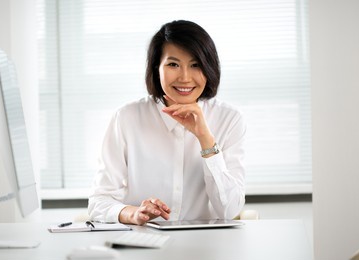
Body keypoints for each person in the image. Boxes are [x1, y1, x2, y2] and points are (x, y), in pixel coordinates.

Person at [88, 20, 246, 225]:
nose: (185, 77)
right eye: (173, 64)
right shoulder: (126, 118)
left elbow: (229, 210)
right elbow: (99, 202)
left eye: (196, 65)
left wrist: (205, 138)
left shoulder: (229, 119)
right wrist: (133, 213)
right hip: (144, 242)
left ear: (209, 68)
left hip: (206, 244)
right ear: (157, 68)